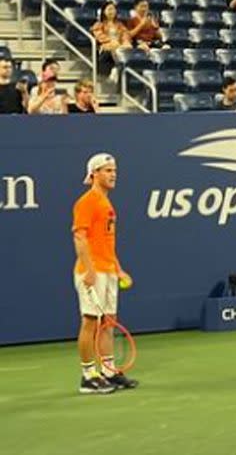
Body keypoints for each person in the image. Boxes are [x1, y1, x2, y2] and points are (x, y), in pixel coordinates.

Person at [73, 153, 138, 394]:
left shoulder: (107, 203)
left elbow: (106, 242)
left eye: (114, 170)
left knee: (108, 323)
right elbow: (79, 237)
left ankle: (109, 372)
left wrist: (118, 269)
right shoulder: (87, 201)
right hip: (91, 272)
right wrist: (89, 270)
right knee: (90, 322)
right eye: (107, 170)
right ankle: (88, 376)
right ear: (94, 174)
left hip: (108, 270)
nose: (113, 174)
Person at [91, 1, 132, 82]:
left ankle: (117, 69)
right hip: (105, 47)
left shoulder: (120, 25)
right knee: (113, 47)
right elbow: (99, 36)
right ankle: (117, 67)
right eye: (109, 9)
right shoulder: (99, 24)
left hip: (119, 46)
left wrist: (125, 42)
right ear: (104, 11)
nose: (111, 12)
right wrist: (111, 41)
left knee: (128, 47)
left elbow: (125, 35)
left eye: (113, 9)